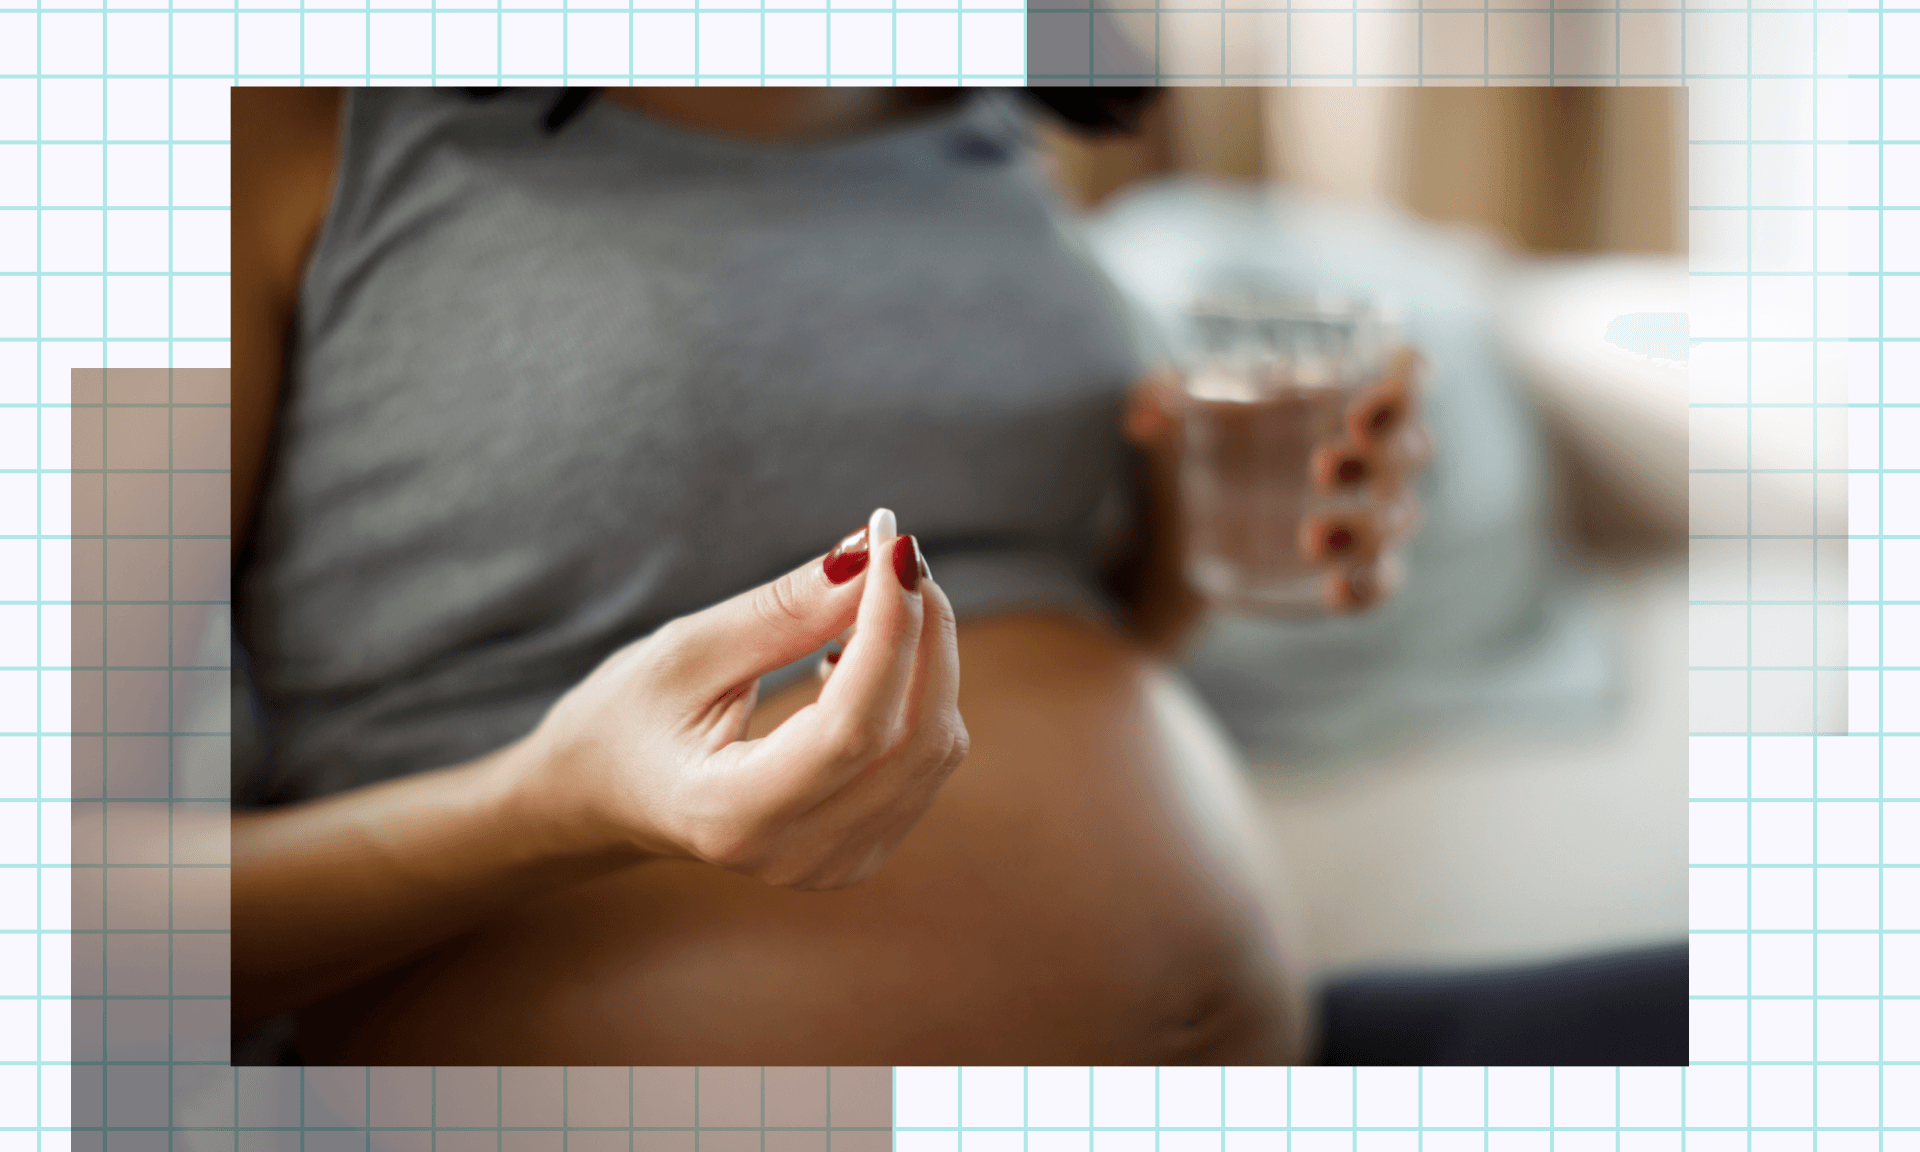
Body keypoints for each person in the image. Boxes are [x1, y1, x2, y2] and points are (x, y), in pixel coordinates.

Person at [229, 85, 1434, 1065]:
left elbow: (997, 668)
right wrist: (556, 808)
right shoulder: (285, 125)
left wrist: (1180, 563)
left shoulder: (979, 119)